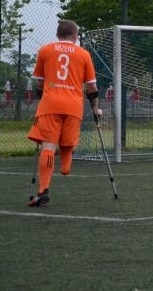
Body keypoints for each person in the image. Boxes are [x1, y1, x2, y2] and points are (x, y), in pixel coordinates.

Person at [26, 20, 102, 207]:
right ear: (75, 36)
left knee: (48, 146)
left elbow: (39, 83)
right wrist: (95, 109)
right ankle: (66, 168)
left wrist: (43, 101)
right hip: (73, 107)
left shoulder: (45, 50)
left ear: (57, 34)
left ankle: (43, 190)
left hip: (50, 105)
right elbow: (92, 87)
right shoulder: (83, 54)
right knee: (67, 143)